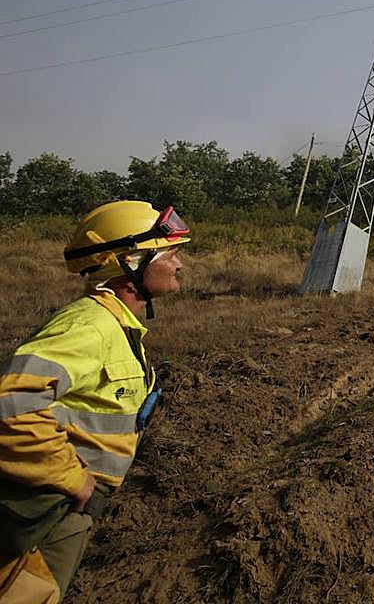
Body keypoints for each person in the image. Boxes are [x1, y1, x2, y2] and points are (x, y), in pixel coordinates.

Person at [0, 201, 190, 603]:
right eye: (170, 254)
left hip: (63, 508)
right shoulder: (89, 326)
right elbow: (11, 403)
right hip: (46, 507)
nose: (179, 265)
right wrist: (72, 479)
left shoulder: (116, 324)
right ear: (130, 263)